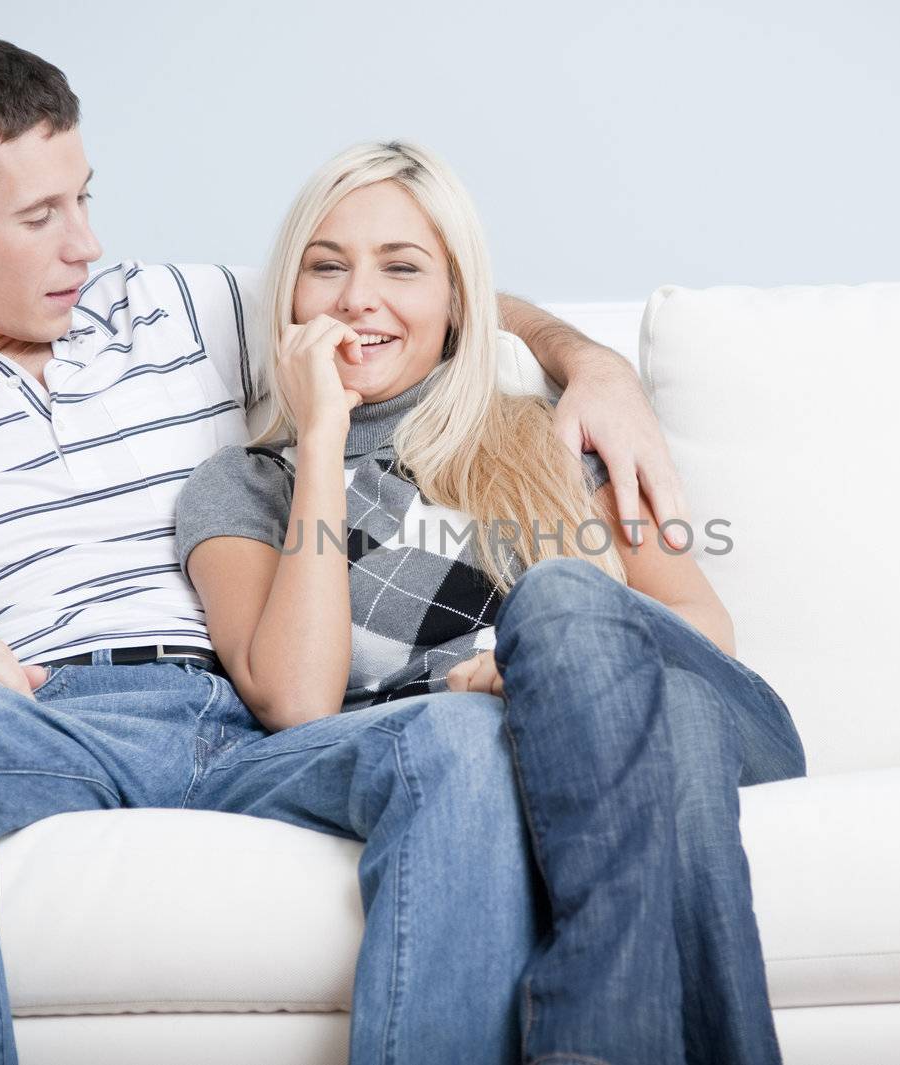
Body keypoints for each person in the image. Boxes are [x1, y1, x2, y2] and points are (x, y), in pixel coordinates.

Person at [0, 31, 687, 1065]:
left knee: (459, 742)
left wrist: (595, 367)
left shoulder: (178, 312)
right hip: (36, 725)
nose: (85, 243)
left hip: (254, 719)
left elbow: (423, 294)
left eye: (85, 197)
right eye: (40, 216)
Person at [176, 141, 808, 1065]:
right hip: (540, 737)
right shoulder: (243, 487)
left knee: (562, 604)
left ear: (456, 301)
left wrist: (548, 670)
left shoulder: (547, 431)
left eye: (402, 267)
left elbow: (705, 628)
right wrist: (321, 438)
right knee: (669, 723)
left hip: (674, 702)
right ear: (291, 300)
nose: (359, 297)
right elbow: (296, 699)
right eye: (327, 267)